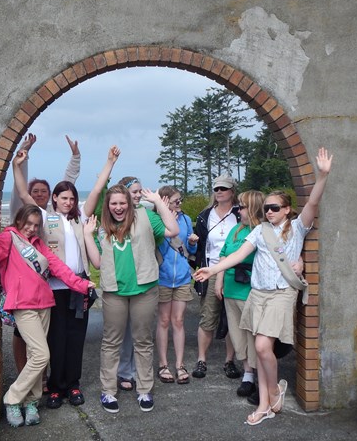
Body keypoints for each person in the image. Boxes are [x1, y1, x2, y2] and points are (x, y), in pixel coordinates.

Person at [194, 147, 333, 426]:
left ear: (287, 209)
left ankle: (265, 403)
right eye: (267, 208)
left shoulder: (297, 228)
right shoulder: (259, 230)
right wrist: (214, 269)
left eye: (275, 208)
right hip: (258, 294)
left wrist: (322, 176)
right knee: (260, 350)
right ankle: (272, 392)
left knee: (260, 345)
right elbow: (237, 255)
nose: (270, 212)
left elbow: (313, 205)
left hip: (281, 294)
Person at [13, 145, 121, 409]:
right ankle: (56, 388)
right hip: (54, 289)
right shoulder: (44, 218)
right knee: (56, 339)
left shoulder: (80, 219)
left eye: (72, 198)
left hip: (79, 288)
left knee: (75, 339)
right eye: (64, 198)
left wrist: (109, 162)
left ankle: (73, 385)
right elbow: (24, 194)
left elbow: (96, 190)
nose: (69, 202)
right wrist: (18, 166)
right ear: (54, 199)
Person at [0, 204, 95, 427]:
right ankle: (12, 399)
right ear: (19, 220)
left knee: (35, 357)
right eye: (28, 223)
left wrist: (81, 284)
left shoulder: (39, 244)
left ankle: (31, 402)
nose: (31, 228)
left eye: (36, 225)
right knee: (43, 355)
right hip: (23, 305)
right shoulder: (8, 238)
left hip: (45, 305)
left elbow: (58, 268)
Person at [84, 185, 179, 413]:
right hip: (114, 291)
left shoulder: (146, 217)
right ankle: (108, 391)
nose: (118, 207)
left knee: (143, 341)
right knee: (111, 342)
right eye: (113, 203)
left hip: (144, 289)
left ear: (129, 202)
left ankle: (144, 389)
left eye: (122, 203)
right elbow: (97, 263)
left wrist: (158, 202)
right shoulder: (102, 225)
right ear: (108, 205)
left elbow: (173, 230)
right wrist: (87, 235)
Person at [7, 133, 80, 390]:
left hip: (49, 285)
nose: (39, 195)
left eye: (44, 192)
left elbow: (67, 185)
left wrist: (75, 158)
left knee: (49, 337)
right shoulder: (26, 216)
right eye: (35, 191)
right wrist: (18, 164)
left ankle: (42, 381)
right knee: (24, 334)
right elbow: (21, 191)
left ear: (50, 196)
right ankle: (24, 379)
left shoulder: (53, 216)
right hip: (25, 285)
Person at [214, 190, 264, 398]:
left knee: (253, 334)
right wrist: (218, 279)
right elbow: (224, 255)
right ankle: (247, 374)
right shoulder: (236, 229)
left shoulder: (261, 231)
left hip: (249, 289)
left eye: (242, 207)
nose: (238, 210)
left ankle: (259, 376)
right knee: (236, 332)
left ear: (252, 208)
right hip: (231, 287)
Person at [191, 174, 240, 380]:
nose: (219, 192)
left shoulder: (240, 213)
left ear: (232, 191)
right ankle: (202, 360)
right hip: (211, 270)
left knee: (232, 318)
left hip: (235, 272)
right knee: (208, 317)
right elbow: (199, 245)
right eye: (216, 188)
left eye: (224, 188)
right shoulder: (205, 215)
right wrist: (194, 241)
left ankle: (229, 361)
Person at [154, 186, 198, 384]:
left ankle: (179, 364)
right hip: (162, 276)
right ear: (164, 201)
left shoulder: (186, 220)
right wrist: (166, 219)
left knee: (178, 321)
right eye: (175, 201)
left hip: (181, 276)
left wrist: (193, 242)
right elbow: (156, 246)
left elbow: (188, 250)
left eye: (180, 200)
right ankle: (163, 364)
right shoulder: (156, 220)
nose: (179, 204)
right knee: (164, 320)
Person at [113, 176, 143, 391]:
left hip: (143, 284)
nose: (138, 195)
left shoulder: (145, 217)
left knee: (140, 333)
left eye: (140, 192)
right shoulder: (110, 222)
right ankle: (124, 371)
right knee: (121, 336)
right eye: (134, 192)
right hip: (119, 286)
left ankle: (137, 372)